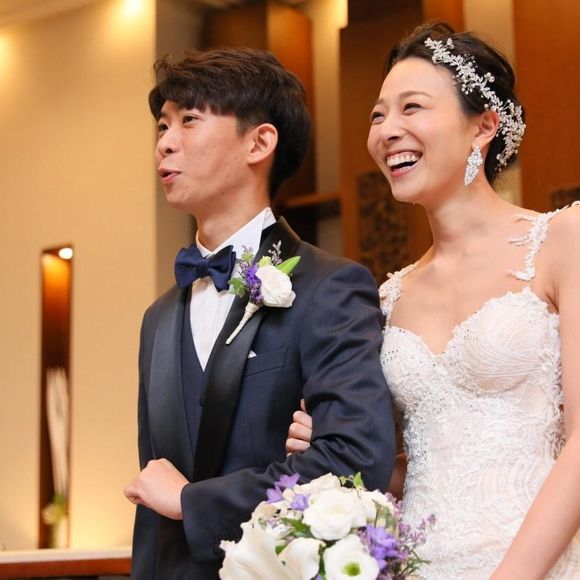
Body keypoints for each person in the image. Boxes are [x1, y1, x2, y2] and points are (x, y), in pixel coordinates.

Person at [286, 22, 580, 579]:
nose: (387, 131)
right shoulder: (389, 296)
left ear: (483, 126)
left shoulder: (563, 241)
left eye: (412, 108)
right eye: (377, 115)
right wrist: (334, 446)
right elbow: (423, 471)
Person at [122, 47, 396, 579]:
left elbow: (355, 460)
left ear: (260, 142)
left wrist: (192, 502)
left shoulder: (329, 288)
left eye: (189, 120)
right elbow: (154, 497)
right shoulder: (157, 319)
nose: (165, 142)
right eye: (162, 125)